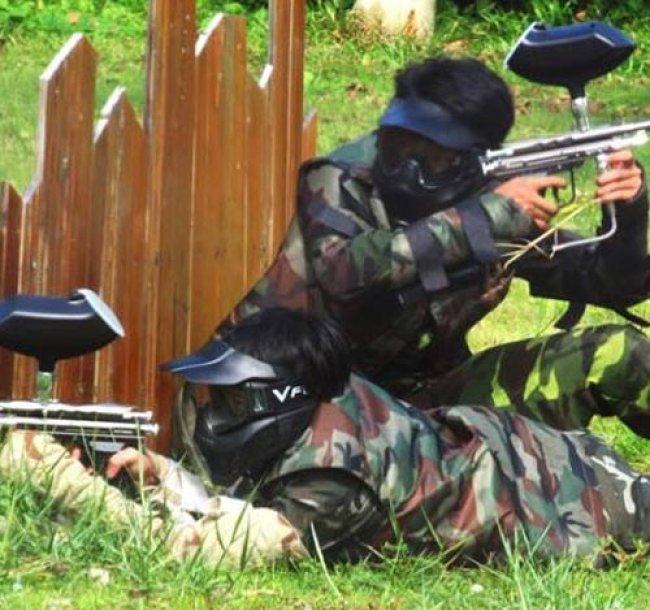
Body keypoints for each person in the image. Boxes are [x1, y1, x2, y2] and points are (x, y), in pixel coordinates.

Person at [6, 307, 650, 568]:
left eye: (230, 399)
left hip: (593, 506)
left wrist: (61, 481)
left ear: (278, 400)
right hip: (526, 455)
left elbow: (197, 550)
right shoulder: (323, 393)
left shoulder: (338, 481)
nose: (213, 415)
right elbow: (243, 501)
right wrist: (168, 478)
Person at [217, 56, 650, 437]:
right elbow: (344, 272)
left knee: (621, 354)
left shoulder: (487, 198)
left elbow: (610, 283)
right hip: (310, 411)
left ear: (472, 162)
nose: (405, 170)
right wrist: (479, 220)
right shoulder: (341, 179)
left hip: (423, 409)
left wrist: (630, 212)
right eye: (395, 148)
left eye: (431, 159)